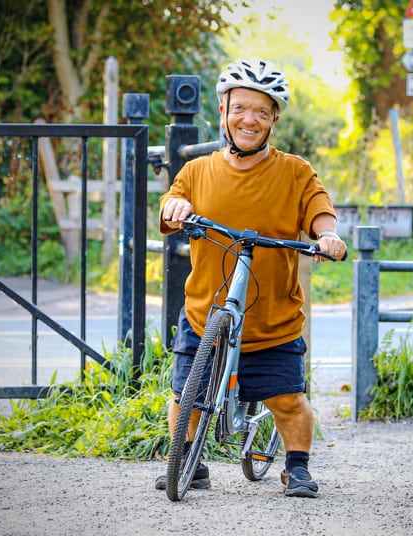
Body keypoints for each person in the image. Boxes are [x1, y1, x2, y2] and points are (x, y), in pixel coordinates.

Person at [155, 58, 347, 498]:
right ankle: (188, 461)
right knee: (186, 396)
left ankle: (296, 467)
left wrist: (328, 235)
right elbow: (173, 200)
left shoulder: (294, 171)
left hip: (272, 318)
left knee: (287, 401)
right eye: (240, 108)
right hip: (207, 312)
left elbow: (319, 208)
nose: (250, 119)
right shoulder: (197, 170)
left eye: (262, 111)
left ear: (274, 119)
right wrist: (173, 208)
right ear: (223, 112)